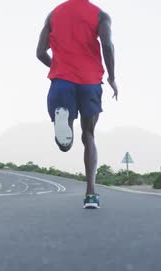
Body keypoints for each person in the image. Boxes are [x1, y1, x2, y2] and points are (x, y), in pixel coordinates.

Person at [36, 0, 118, 209]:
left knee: (65, 145)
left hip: (62, 81)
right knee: (88, 135)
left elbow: (39, 52)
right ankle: (91, 194)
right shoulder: (100, 15)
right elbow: (107, 45)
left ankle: (64, 123)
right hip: (90, 82)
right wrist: (111, 77)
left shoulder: (53, 14)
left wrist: (59, 66)